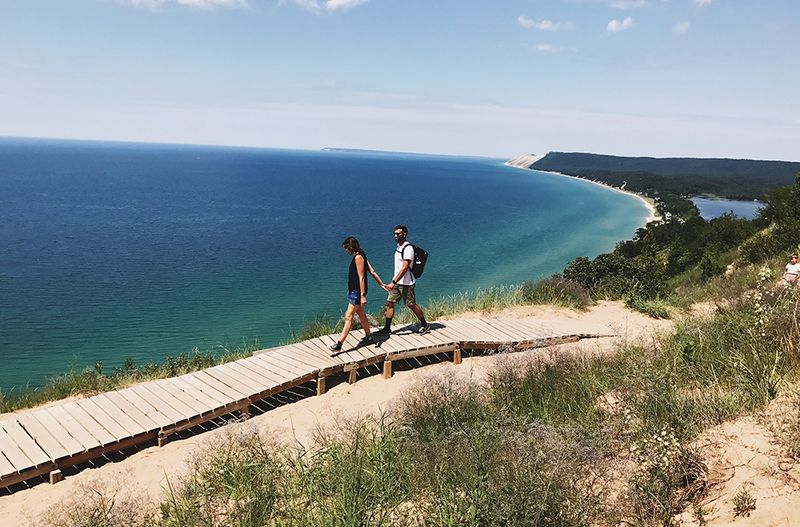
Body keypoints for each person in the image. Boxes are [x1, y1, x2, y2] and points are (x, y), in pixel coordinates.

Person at [329, 236, 386, 353]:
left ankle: (339, 344)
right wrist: (381, 284)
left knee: (348, 316)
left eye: (346, 248)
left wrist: (363, 295)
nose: (346, 251)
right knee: (360, 313)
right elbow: (372, 271)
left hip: (357, 292)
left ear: (350, 247)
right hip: (355, 291)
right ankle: (369, 336)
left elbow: (361, 277)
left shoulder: (358, 257)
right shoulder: (362, 254)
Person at [377, 224, 430, 334]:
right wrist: (394, 282)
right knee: (389, 303)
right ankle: (387, 328)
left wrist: (393, 282)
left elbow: (405, 268)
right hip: (396, 282)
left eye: (398, 234)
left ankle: (425, 324)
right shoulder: (399, 247)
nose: (395, 236)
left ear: (404, 234)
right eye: (394, 234)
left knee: (411, 304)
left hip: (406, 283)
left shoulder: (408, 248)